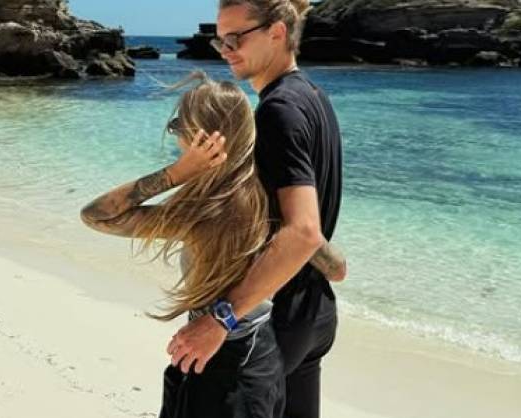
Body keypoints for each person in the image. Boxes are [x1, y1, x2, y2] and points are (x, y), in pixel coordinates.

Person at [80, 73, 345, 418]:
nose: (174, 135)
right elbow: (336, 268)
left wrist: (177, 173)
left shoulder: (200, 214)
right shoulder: (274, 203)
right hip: (262, 356)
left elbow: (97, 215)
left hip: (218, 363)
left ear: (200, 141)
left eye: (177, 126)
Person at [165, 2, 345, 417]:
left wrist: (221, 319)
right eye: (220, 41)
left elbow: (303, 231)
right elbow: (302, 222)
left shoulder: (278, 111)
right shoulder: (315, 97)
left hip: (272, 316)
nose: (225, 50)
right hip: (315, 311)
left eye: (235, 38)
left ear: (277, 32)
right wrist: (330, 261)